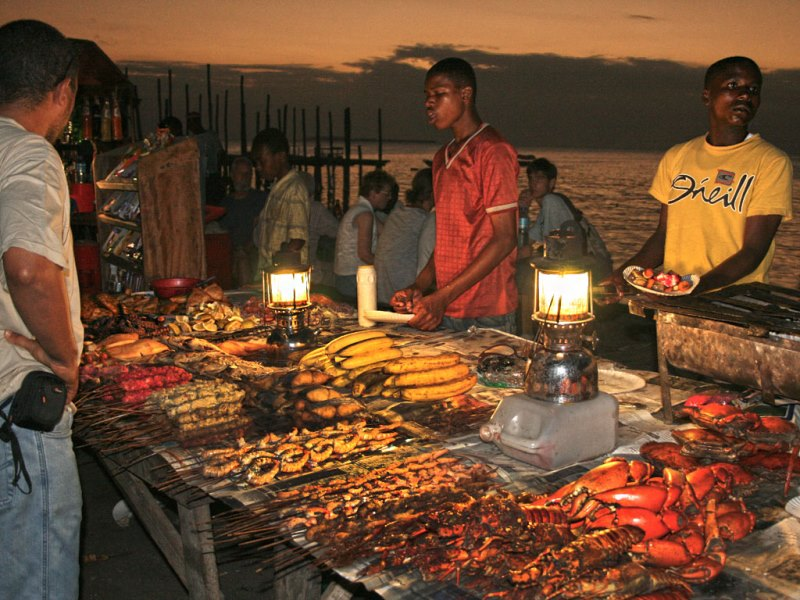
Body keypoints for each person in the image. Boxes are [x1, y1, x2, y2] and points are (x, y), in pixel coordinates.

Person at [0, 20, 84, 600]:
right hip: (19, 416)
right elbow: (28, 267)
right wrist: (64, 356)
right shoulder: (31, 153)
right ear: (63, 92)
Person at [607, 56, 793, 296]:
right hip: (677, 297)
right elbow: (663, 236)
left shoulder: (771, 162)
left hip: (736, 301)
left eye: (753, 89)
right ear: (707, 96)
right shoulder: (677, 157)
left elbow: (753, 251)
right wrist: (622, 277)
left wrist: (695, 287)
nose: (745, 95)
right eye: (733, 86)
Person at [390, 57, 519, 332]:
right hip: (449, 306)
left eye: (439, 94)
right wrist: (420, 286)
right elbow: (449, 240)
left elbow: (506, 238)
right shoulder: (441, 158)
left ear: (465, 94)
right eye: (426, 96)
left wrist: (442, 296)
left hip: (487, 310)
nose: (429, 103)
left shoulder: (492, 150)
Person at [521, 158, 613, 279]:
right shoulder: (546, 210)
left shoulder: (552, 201)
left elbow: (553, 250)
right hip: (583, 266)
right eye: (531, 178)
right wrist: (523, 209)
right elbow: (523, 243)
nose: (533, 183)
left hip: (587, 269)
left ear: (552, 183)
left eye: (540, 178)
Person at [252, 128, 311, 271]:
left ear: (281, 157)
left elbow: (298, 239)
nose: (258, 167)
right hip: (269, 269)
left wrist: (277, 266)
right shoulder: (278, 187)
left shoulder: (294, 190)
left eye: (262, 161)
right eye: (256, 162)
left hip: (284, 273)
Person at [333, 169, 397, 300]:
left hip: (346, 275)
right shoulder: (365, 215)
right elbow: (364, 254)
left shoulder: (363, 210)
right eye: (387, 194)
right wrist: (388, 268)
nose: (390, 198)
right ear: (373, 193)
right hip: (352, 276)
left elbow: (387, 234)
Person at [375, 168, 435, 305]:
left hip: (381, 291)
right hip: (401, 296)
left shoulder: (397, 213)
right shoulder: (425, 220)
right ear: (433, 193)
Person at [218, 156, 265, 286]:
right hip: (231, 255)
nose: (245, 177)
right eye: (241, 173)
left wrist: (244, 249)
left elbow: (264, 228)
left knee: (243, 260)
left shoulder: (261, 200)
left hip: (255, 252)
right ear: (232, 175)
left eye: (248, 174)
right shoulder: (225, 204)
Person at [186, 110, 224, 204]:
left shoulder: (211, 136)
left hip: (211, 176)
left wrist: (218, 174)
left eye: (192, 122)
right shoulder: (190, 139)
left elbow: (220, 154)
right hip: (198, 177)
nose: (190, 126)